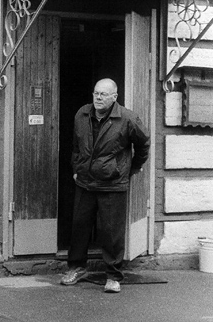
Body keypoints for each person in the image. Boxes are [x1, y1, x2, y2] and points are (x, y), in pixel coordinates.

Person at [61, 78, 151, 293]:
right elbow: (76, 145)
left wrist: (132, 168)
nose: (98, 98)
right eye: (96, 93)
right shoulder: (82, 114)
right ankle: (77, 268)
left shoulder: (128, 118)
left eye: (103, 94)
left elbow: (143, 144)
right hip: (85, 181)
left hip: (112, 183)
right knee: (79, 226)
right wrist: (76, 167)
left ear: (114, 97)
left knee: (111, 232)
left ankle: (113, 276)